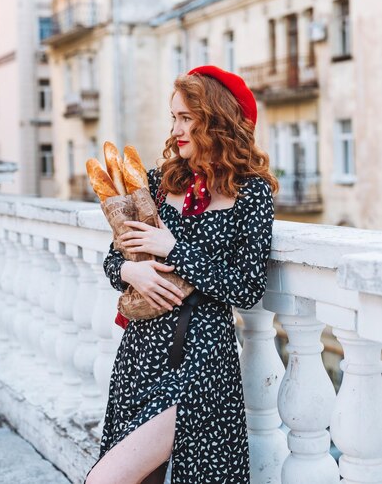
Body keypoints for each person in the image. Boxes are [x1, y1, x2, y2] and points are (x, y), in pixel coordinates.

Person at [85, 65, 278, 484]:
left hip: (200, 361)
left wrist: (173, 249)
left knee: (107, 478)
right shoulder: (157, 183)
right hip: (141, 352)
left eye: (187, 118)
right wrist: (133, 270)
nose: (176, 129)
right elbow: (112, 261)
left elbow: (247, 287)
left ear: (217, 119)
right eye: (174, 117)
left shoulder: (252, 193)